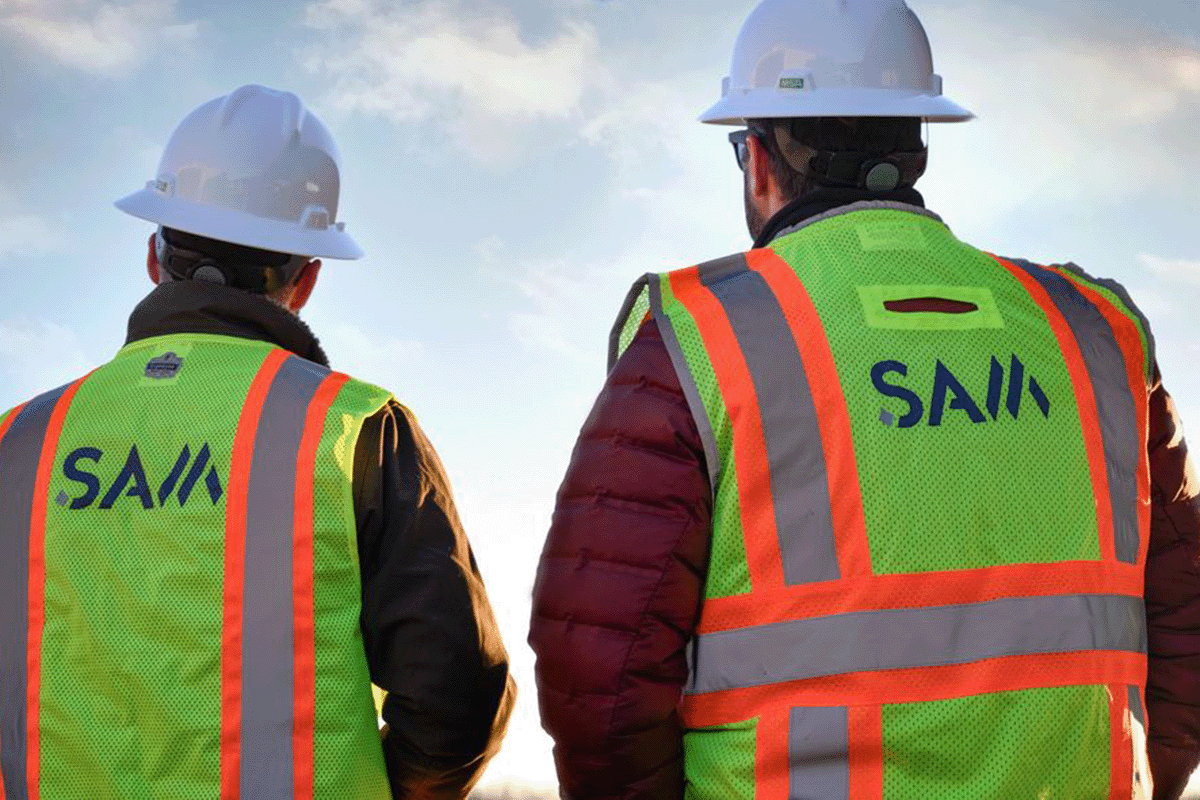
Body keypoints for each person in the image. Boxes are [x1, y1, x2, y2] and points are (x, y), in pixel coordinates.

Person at [529, 1, 1200, 798]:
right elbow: (1185, 626)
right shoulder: (1096, 333)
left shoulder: (697, 341)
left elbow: (600, 671)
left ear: (758, 159)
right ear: (917, 146)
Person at [0, 84, 513, 800]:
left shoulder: (19, 442)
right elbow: (456, 695)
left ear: (155, 256)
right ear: (306, 279)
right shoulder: (357, 430)